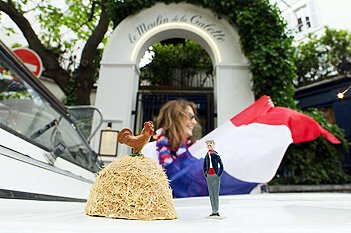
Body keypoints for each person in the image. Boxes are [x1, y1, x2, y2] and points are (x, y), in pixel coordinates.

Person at [155, 99, 198, 167]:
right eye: (190, 117)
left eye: (194, 118)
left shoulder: (197, 149)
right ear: (175, 118)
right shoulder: (149, 150)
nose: (195, 122)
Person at [203, 140, 223, 217]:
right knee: (211, 194)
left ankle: (217, 210)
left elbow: (221, 165)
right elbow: (204, 166)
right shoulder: (206, 156)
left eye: (210, 144)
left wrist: (218, 174)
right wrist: (205, 174)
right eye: (207, 144)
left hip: (215, 175)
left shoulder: (216, 155)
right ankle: (213, 211)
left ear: (213, 145)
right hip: (209, 176)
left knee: (215, 193)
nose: (209, 145)